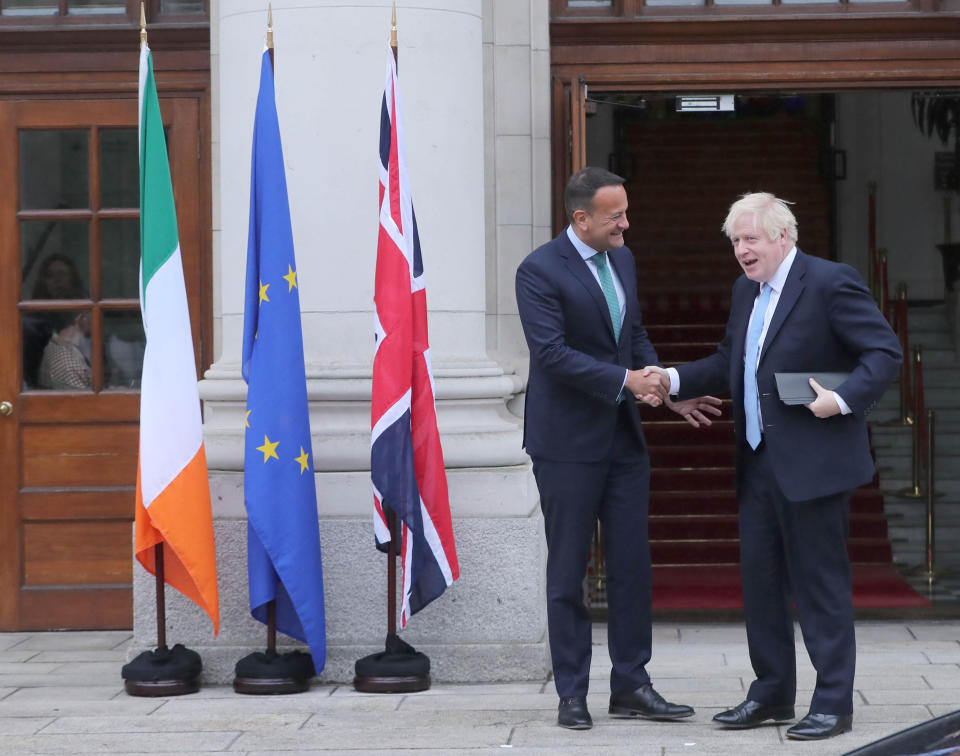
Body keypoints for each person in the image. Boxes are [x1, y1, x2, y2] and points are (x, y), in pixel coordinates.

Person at [657, 192, 901, 741]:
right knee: (761, 584)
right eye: (736, 241)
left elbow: (883, 353)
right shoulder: (747, 291)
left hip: (814, 463)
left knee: (820, 587)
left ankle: (834, 703)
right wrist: (672, 380)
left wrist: (839, 401)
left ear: (783, 237)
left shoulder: (830, 281)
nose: (741, 251)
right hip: (759, 461)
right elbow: (729, 361)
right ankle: (771, 694)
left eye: (750, 239)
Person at [515, 167, 721, 730]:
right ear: (580, 219)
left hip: (623, 442)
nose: (626, 224)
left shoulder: (622, 259)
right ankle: (572, 693)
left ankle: (632, 684)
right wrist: (624, 382)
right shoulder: (538, 270)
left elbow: (632, 337)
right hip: (566, 445)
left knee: (633, 567)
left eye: (626, 212)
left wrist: (662, 386)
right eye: (616, 216)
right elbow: (551, 354)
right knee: (567, 573)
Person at [37, 309, 92, 390]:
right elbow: (85, 399)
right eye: (92, 315)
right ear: (81, 318)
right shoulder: (68, 362)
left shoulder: (52, 346)